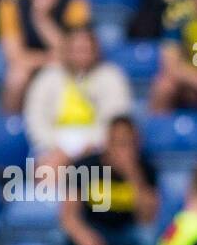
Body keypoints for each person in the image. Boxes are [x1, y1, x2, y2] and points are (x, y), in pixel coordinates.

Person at [23, 25, 134, 169]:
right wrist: (58, 148)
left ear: (96, 51)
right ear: (66, 51)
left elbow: (117, 120)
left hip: (97, 148)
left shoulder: (112, 76)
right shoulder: (48, 76)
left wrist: (88, 146)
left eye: (86, 50)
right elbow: (35, 118)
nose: (82, 55)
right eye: (77, 50)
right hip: (53, 146)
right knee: (48, 169)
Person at [59, 116, 158, 245]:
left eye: (127, 143)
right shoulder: (85, 166)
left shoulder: (146, 169)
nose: (122, 150)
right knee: (58, 240)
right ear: (107, 143)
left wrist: (132, 175)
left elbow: (147, 218)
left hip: (126, 232)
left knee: (147, 241)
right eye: (117, 143)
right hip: (92, 228)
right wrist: (83, 236)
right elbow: (68, 215)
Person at [0, 0, 93, 112]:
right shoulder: (11, 6)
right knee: (16, 75)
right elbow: (14, 56)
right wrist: (49, 58)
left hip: (64, 68)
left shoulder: (76, 5)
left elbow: (75, 53)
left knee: (64, 71)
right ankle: (10, 126)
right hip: (32, 66)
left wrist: (41, 18)